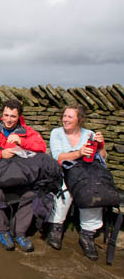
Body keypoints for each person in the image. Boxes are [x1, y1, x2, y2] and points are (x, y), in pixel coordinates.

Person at [0, 99, 47, 252]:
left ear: (19, 117)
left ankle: (20, 233)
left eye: (13, 116)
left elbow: (42, 148)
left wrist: (22, 142)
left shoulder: (27, 131)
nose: (8, 119)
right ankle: (3, 231)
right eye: (6, 115)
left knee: (32, 194)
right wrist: (0, 153)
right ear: (2, 115)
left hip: (21, 177)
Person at [46, 104, 106, 260]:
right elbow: (57, 157)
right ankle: (56, 227)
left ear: (79, 119)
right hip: (63, 172)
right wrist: (79, 153)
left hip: (86, 173)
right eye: (64, 116)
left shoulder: (89, 134)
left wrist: (101, 146)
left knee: (92, 191)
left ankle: (87, 234)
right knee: (65, 190)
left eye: (70, 117)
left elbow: (103, 158)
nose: (65, 119)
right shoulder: (57, 133)